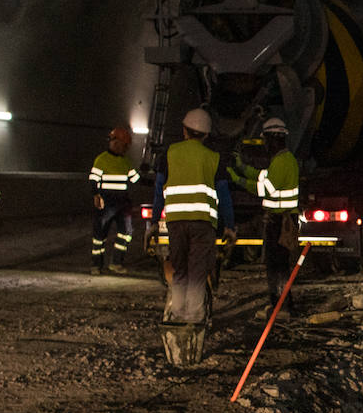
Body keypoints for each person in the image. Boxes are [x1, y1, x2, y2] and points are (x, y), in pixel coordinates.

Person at [149, 108, 235, 323]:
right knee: (198, 271)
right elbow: (224, 196)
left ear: (185, 131)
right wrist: (230, 226)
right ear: (206, 135)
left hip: (176, 223)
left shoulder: (169, 154)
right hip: (203, 224)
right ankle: (195, 319)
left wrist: (152, 223)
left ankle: (177, 316)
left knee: (179, 269)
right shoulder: (214, 158)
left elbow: (159, 191)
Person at [228, 117, 300, 319]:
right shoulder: (284, 159)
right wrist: (242, 167)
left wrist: (237, 179)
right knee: (279, 266)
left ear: (273, 138)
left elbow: (264, 189)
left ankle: (281, 307)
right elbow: (263, 176)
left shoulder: (281, 161)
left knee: (276, 267)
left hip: (279, 222)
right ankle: (283, 306)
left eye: (266, 140)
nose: (264, 145)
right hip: (282, 220)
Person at [87, 126, 141, 274]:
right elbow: (93, 180)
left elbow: (136, 179)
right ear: (116, 143)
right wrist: (96, 195)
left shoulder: (125, 162)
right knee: (100, 235)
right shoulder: (101, 160)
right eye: (125, 146)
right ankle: (96, 265)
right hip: (106, 201)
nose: (125, 149)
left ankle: (116, 262)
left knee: (126, 232)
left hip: (122, 203)